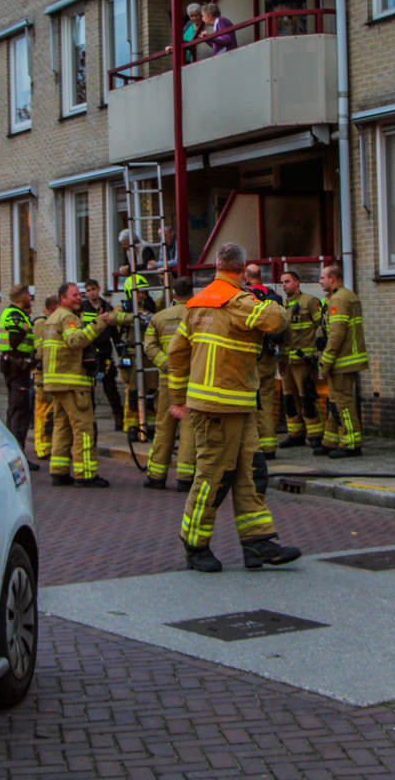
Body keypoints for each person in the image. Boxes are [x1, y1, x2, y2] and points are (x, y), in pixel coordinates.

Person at [166, 241, 300, 573]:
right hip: (221, 407)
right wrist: (270, 300)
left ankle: (258, 542)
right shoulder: (239, 300)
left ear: (216, 267)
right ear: (241, 270)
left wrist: (178, 398)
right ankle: (194, 545)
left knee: (251, 473)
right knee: (212, 477)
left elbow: (175, 352)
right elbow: (276, 320)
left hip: (232, 406)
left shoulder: (196, 303)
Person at [42, 281, 119, 486]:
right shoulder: (67, 318)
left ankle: (58, 472)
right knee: (83, 428)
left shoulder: (52, 319)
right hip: (73, 383)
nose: (79, 298)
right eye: (74, 295)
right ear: (63, 299)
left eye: (80, 295)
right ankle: (86, 474)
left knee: (62, 427)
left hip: (55, 383)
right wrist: (99, 323)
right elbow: (75, 341)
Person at [142, 276, 194, 489]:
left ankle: (156, 476)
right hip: (191, 381)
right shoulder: (197, 316)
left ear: (173, 294)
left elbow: (149, 347)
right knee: (190, 429)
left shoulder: (159, 317)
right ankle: (186, 478)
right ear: (192, 294)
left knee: (164, 426)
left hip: (166, 381)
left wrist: (167, 365)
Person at [318, 263, 369, 458]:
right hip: (348, 358)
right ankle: (331, 440)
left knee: (342, 403)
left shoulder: (338, 299)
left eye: (323, 278)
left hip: (341, 360)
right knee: (334, 400)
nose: (320, 281)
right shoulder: (347, 295)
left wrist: (326, 363)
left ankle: (351, 443)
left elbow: (336, 334)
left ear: (332, 278)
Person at [278, 270, 325, 450]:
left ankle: (315, 435)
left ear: (297, 283)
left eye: (287, 281)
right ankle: (295, 433)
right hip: (287, 362)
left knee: (307, 398)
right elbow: (282, 336)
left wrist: (317, 355)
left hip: (304, 360)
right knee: (289, 399)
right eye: (282, 282)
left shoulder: (310, 302)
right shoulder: (283, 306)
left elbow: (321, 328)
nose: (284, 285)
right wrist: (280, 361)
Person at [242, 264, 285, 460]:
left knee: (252, 401)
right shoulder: (271, 294)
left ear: (246, 277)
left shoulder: (245, 295)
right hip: (268, 355)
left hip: (251, 356)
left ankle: (256, 445)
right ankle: (270, 445)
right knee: (267, 399)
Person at [0, 284, 40, 471]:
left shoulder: (11, 314)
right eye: (28, 295)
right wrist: (24, 328)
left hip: (15, 368)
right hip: (17, 368)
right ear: (23, 297)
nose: (30, 298)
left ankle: (14, 454)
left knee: (16, 410)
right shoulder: (15, 316)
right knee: (20, 412)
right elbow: (13, 341)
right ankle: (18, 456)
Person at [117, 273, 160, 442]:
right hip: (132, 355)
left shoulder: (150, 307)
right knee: (134, 393)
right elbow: (114, 318)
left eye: (143, 292)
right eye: (138, 292)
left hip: (148, 354)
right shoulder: (123, 308)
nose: (141, 295)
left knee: (151, 391)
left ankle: (150, 426)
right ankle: (132, 428)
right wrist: (134, 317)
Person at [81, 279, 125, 429]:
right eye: (88, 290)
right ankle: (90, 421)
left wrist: (120, 353)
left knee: (111, 389)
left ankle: (119, 419)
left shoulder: (107, 307)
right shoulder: (83, 308)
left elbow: (115, 333)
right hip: (89, 354)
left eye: (93, 289)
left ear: (99, 289)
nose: (91, 292)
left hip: (105, 354)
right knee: (89, 391)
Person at [31, 294, 60, 465]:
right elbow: (41, 349)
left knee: (52, 411)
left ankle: (50, 444)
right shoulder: (42, 323)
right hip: (42, 373)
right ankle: (42, 446)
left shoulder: (53, 321)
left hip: (52, 373)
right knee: (43, 409)